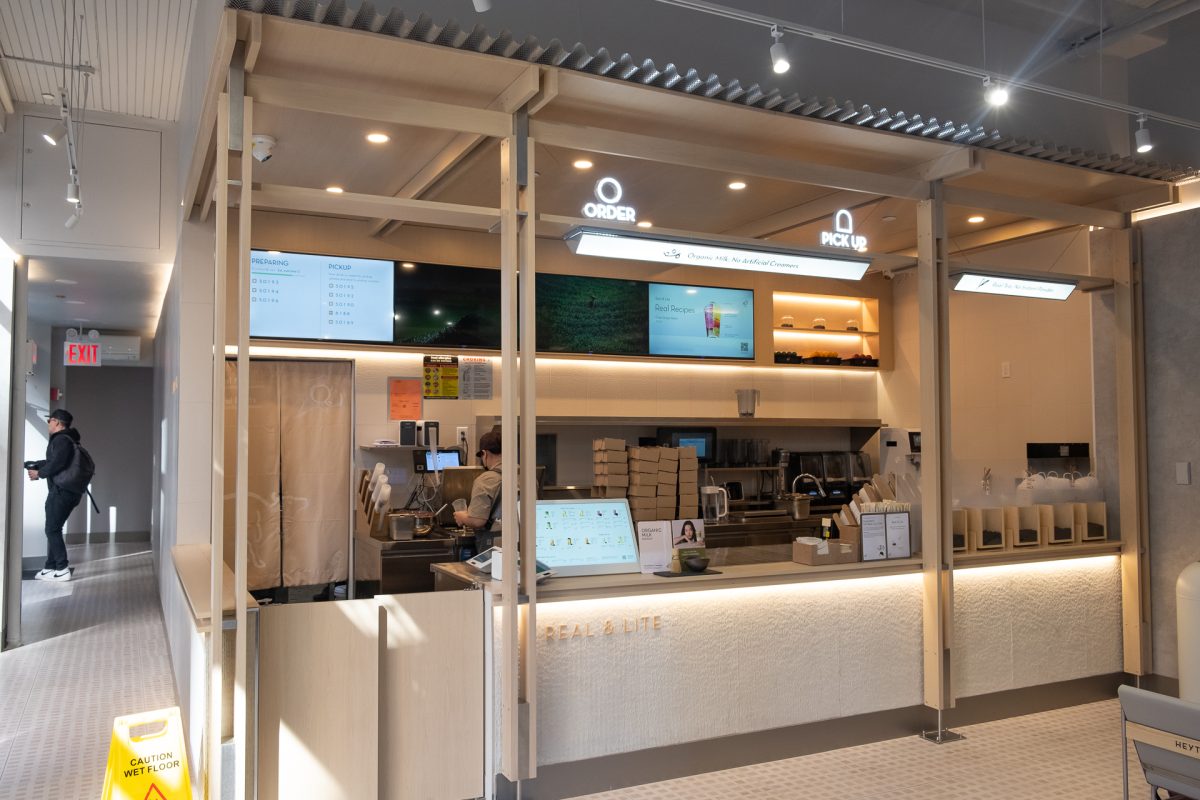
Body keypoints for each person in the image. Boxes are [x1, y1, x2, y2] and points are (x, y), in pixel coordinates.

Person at [27, 409, 88, 582]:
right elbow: (54, 461)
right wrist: (35, 464)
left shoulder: (61, 440)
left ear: (57, 422)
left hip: (62, 491)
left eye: (49, 420)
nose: (48, 424)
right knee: (54, 528)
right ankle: (50, 566)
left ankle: (61, 568)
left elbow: (58, 463)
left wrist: (39, 474)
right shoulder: (68, 439)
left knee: (52, 529)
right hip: (68, 491)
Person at [454, 429, 502, 540]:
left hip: (496, 543)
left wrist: (462, 516)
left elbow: (477, 521)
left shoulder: (486, 480)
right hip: (525, 542)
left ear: (484, 454)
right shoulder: (525, 476)